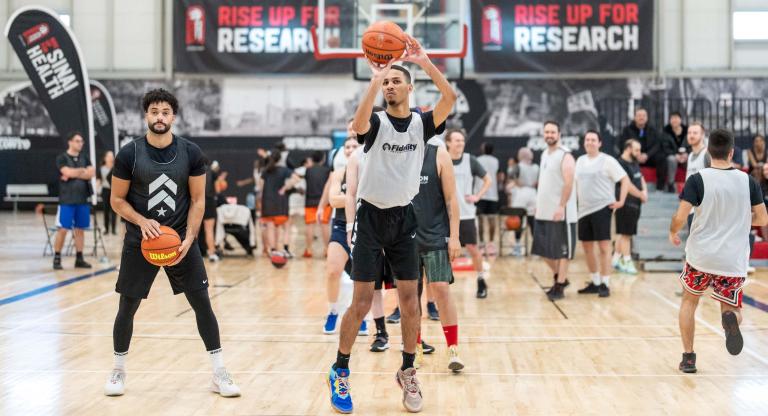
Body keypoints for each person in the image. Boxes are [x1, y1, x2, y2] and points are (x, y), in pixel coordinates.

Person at [327, 34, 455, 414]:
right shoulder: (377, 122)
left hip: (405, 218)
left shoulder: (422, 123)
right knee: (362, 300)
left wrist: (424, 61)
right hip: (370, 218)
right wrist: (375, 76)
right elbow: (359, 122)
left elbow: (450, 100)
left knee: (411, 300)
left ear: (410, 87)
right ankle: (340, 369)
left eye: (396, 80)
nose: (390, 85)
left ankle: (408, 370)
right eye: (386, 82)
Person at [105, 89, 239, 397]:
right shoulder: (129, 154)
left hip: (180, 241)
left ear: (173, 117)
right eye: (154, 112)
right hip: (141, 242)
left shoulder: (191, 153)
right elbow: (116, 200)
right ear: (146, 116)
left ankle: (219, 373)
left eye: (165, 112)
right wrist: (141, 221)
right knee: (127, 306)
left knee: (202, 304)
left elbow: (198, 199)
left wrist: (190, 238)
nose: (160, 117)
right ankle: (118, 371)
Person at [669, 128, 768, 373]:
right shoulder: (748, 181)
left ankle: (688, 357)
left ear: (709, 151)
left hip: (701, 257)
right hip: (731, 259)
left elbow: (680, 216)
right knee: (731, 308)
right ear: (732, 152)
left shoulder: (697, 179)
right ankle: (731, 320)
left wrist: (673, 232)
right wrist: (739, 219)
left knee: (689, 301)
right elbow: (763, 219)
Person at [412, 139, 463, 371]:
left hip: (435, 235)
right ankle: (415, 346)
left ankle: (453, 348)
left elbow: (452, 200)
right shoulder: (400, 153)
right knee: (410, 294)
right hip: (406, 238)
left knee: (441, 287)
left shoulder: (439, 155)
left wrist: (454, 236)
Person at [573, 131, 630, 298]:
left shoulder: (608, 160)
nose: (590, 142)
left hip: (602, 208)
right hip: (583, 210)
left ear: (599, 143)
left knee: (604, 247)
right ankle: (595, 281)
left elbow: (625, 180)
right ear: (584, 143)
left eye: (593, 140)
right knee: (587, 247)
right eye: (587, 140)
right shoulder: (580, 161)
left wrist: (621, 201)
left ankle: (605, 283)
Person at [532, 121, 577, 301]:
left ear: (559, 134)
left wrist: (561, 206)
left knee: (562, 252)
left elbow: (568, 182)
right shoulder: (544, 154)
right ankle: (561, 277)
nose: (549, 135)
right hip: (543, 212)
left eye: (553, 132)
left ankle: (559, 285)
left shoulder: (565, 155)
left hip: (561, 214)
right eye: (547, 132)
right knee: (543, 251)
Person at [445, 129, 492, 298]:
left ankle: (481, 280)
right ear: (448, 142)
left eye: (462, 141)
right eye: (457, 140)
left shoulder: (469, 160)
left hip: (466, 214)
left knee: (473, 248)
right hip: (445, 216)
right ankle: (444, 287)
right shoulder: (442, 159)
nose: (460, 143)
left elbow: (488, 180)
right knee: (444, 251)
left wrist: (477, 196)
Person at [323, 137, 360, 334]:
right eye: (347, 147)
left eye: (355, 146)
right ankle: (333, 311)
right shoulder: (338, 173)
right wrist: (355, 197)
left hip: (363, 227)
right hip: (340, 224)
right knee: (332, 271)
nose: (351, 149)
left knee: (363, 277)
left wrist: (345, 198)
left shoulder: (367, 172)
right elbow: (333, 201)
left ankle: (361, 315)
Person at [53, 132, 95, 270]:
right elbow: (67, 172)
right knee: (63, 229)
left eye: (81, 141)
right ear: (70, 142)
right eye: (77, 141)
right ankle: (57, 258)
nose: (80, 143)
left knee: (80, 230)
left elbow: (92, 173)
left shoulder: (84, 157)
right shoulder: (62, 158)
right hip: (67, 200)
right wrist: (82, 171)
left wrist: (74, 173)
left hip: (82, 199)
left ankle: (79, 258)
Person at [612, 139, 648, 274]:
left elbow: (641, 177)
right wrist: (640, 195)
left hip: (635, 203)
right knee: (627, 234)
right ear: (628, 148)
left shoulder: (634, 162)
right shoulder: (620, 163)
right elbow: (627, 185)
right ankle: (627, 261)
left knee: (623, 233)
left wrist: (645, 192)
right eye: (636, 150)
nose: (639, 153)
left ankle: (615, 259)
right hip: (626, 203)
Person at [620, 108, 675, 192]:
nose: (641, 118)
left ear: (647, 117)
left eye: (643, 115)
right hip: (634, 156)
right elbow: (624, 145)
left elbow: (657, 145)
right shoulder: (627, 130)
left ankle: (660, 188)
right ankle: (629, 186)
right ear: (634, 117)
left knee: (662, 158)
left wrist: (647, 155)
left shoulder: (653, 129)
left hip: (649, 157)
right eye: (639, 115)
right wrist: (637, 154)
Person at [259, 150, 301, 260]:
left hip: (267, 202)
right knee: (287, 226)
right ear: (280, 159)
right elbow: (296, 178)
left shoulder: (265, 171)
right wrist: (285, 188)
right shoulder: (284, 170)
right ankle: (285, 249)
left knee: (270, 227)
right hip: (280, 203)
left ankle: (273, 251)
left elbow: (260, 188)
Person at [508, 147, 538, 255]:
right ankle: (536, 249)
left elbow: (511, 175)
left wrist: (516, 182)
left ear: (520, 156)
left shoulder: (518, 166)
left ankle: (517, 246)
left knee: (518, 220)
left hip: (521, 192)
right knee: (532, 221)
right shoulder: (536, 167)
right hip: (533, 193)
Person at [304, 151, 332, 258]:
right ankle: (327, 250)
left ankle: (309, 250)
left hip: (309, 201)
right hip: (324, 202)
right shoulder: (327, 170)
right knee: (325, 225)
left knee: (309, 225)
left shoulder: (308, 170)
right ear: (323, 159)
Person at [475, 142, 501, 255]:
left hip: (480, 194)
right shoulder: (496, 161)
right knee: (492, 219)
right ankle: (490, 244)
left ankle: (481, 243)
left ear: (484, 148)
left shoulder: (478, 159)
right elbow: (499, 176)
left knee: (480, 219)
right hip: (493, 195)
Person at [664, 111, 690, 188]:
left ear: (681, 120)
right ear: (670, 120)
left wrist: (687, 154)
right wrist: (675, 155)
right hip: (673, 155)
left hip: (685, 155)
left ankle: (692, 183)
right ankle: (670, 184)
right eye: (672, 118)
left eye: (676, 118)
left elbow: (691, 146)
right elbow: (665, 147)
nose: (674, 120)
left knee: (692, 158)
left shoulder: (687, 131)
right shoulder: (665, 132)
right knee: (671, 159)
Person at [100, 151, 117, 235]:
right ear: (105, 158)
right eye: (109, 156)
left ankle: (113, 229)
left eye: (112, 156)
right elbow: (99, 180)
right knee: (106, 210)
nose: (111, 158)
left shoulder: (116, 168)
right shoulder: (102, 168)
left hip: (114, 190)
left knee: (114, 210)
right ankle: (106, 229)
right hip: (105, 190)